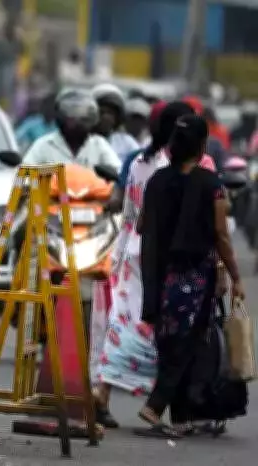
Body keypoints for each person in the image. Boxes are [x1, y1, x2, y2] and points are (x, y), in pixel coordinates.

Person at [93, 101, 214, 429]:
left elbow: (131, 214)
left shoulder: (138, 161)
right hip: (170, 260)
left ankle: (103, 393)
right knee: (170, 332)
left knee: (123, 326)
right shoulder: (184, 166)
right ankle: (166, 407)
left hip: (133, 252)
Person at [135, 114, 244, 439]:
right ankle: (154, 406)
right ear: (201, 146)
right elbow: (222, 236)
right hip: (193, 278)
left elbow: (141, 225)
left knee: (173, 344)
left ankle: (180, 418)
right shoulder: (211, 185)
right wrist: (236, 277)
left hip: (157, 274)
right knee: (184, 346)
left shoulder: (155, 182)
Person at [21, 88, 122, 173]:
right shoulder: (43, 145)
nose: (77, 122)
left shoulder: (98, 145)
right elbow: (26, 173)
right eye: (72, 117)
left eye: (83, 118)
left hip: (92, 196)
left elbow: (117, 171)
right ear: (61, 117)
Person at [91, 83, 141, 158]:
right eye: (102, 112)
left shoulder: (127, 143)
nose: (106, 117)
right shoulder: (82, 141)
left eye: (110, 113)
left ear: (117, 117)